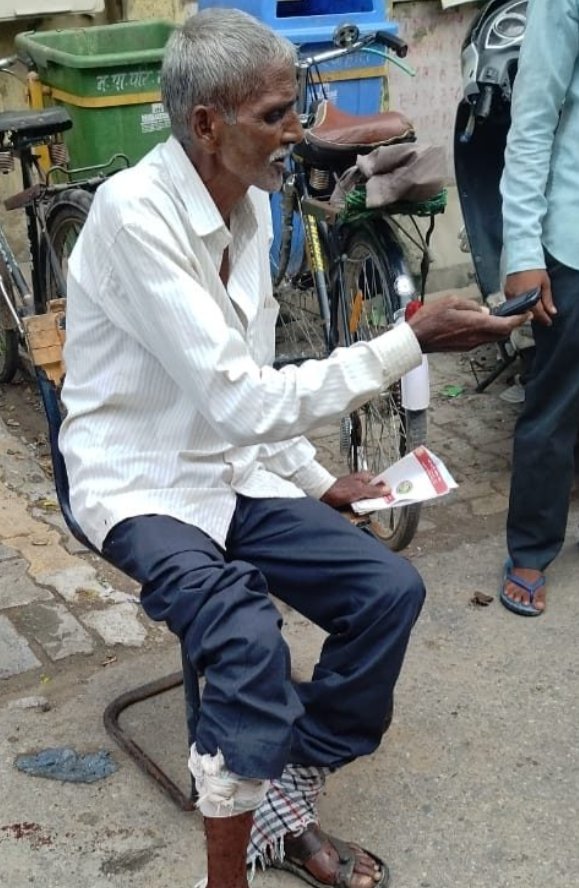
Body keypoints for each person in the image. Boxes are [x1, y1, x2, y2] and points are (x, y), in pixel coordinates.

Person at [60, 10, 525, 888]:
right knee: (245, 639)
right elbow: (239, 400)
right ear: (207, 125)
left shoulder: (252, 205)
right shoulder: (135, 215)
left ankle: (276, 786)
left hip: (234, 467)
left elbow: (251, 377)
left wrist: (314, 481)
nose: (296, 133)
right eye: (276, 115)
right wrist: (406, 342)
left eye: (294, 109)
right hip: (139, 480)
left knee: (385, 591)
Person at [499, 0, 579, 617]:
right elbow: (532, 121)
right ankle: (529, 549)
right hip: (573, 242)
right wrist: (523, 251)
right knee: (555, 403)